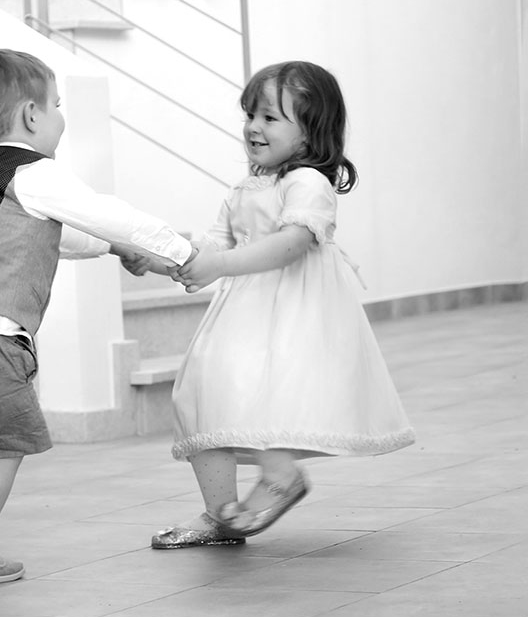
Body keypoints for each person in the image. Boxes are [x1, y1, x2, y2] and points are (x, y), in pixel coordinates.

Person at [0, 48, 195, 586]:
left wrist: (112, 251)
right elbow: (103, 212)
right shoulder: (36, 171)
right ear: (32, 115)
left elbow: (53, 234)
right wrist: (179, 251)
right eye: (56, 104)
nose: (59, 115)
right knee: (3, 447)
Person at [150, 61, 415, 549]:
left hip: (292, 314)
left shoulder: (307, 183)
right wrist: (156, 256)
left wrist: (220, 265)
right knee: (204, 391)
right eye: (251, 114)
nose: (253, 126)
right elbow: (210, 249)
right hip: (241, 313)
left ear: (311, 130)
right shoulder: (243, 189)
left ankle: (279, 477)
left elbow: (292, 244)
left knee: (265, 392)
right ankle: (221, 515)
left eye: (270, 118)